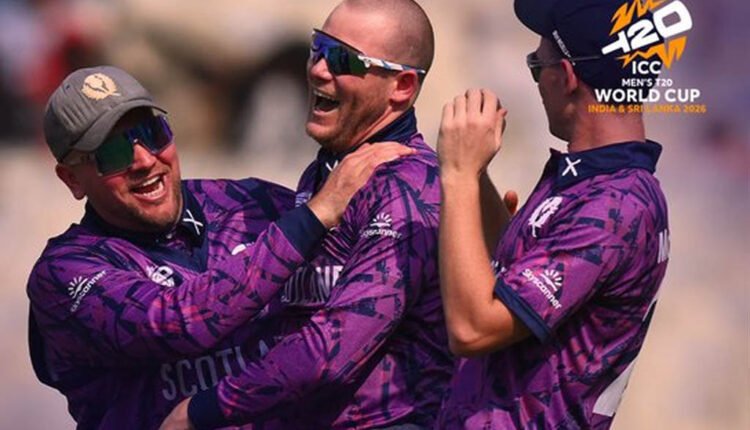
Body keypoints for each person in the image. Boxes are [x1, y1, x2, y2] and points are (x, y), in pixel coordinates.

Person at [27, 65, 413, 429]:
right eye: (113, 154)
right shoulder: (63, 274)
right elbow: (175, 323)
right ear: (71, 179)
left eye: (152, 133)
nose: (144, 160)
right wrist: (314, 217)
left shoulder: (250, 203)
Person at [161, 1, 453, 429]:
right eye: (319, 48)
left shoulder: (408, 187)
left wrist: (202, 411)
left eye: (343, 60)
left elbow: (333, 349)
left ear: (402, 86)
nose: (318, 69)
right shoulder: (330, 171)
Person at [436, 0, 670, 428]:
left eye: (536, 66)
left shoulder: (614, 206)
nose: (539, 82)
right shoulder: (593, 181)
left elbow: (474, 329)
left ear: (567, 76)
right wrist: (478, 181)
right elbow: (525, 286)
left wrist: (459, 174)